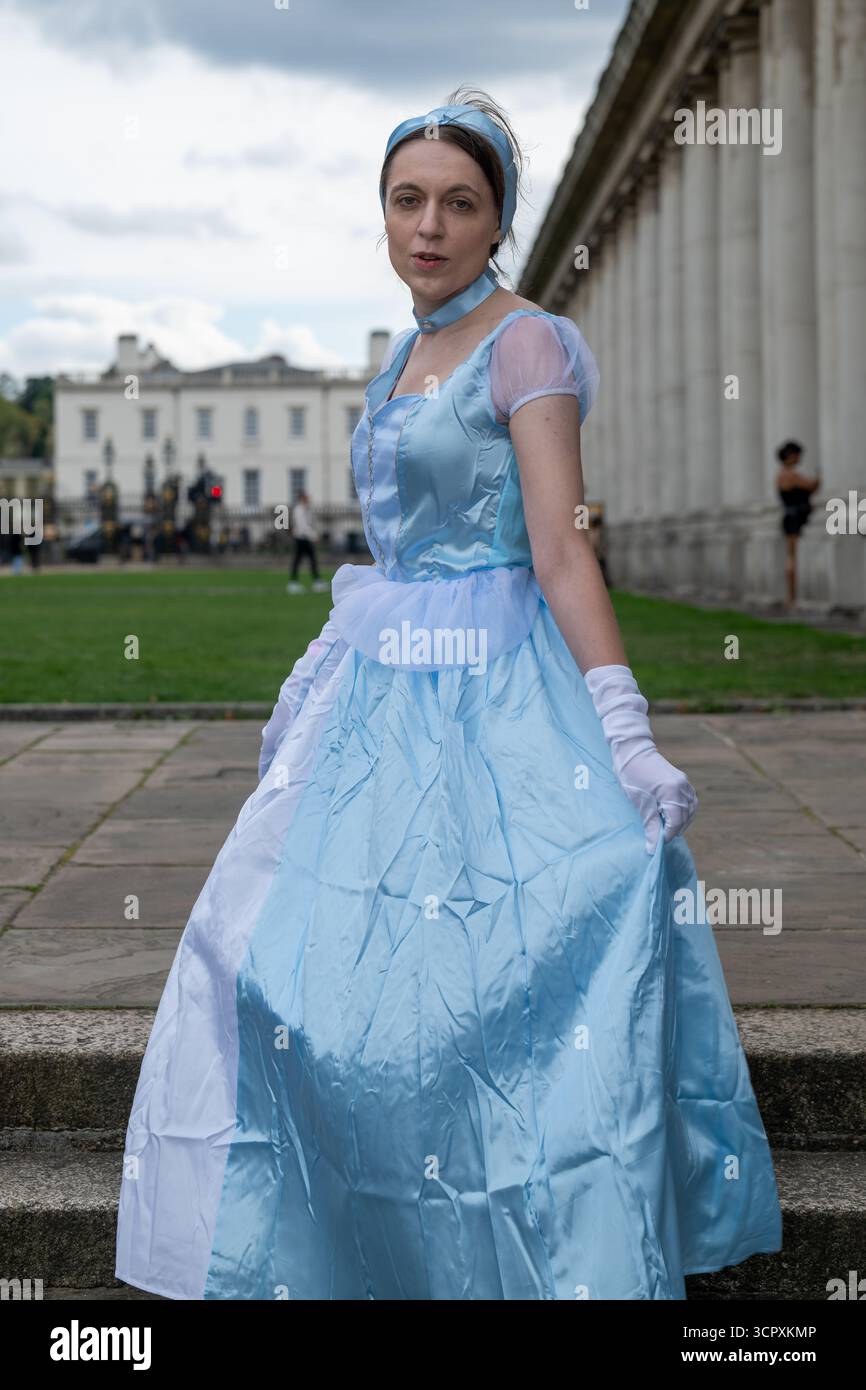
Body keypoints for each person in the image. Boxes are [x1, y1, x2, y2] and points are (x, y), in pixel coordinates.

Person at [115, 90, 782, 1301]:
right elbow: (393, 548)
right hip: (376, 690)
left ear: (495, 224)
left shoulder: (527, 343)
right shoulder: (401, 354)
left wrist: (623, 729)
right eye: (406, 199)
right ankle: (350, 1247)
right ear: (381, 216)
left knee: (485, 964)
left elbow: (561, 546)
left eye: (457, 204)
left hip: (494, 685)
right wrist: (313, 679)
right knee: (271, 953)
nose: (428, 224)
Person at [776, 440, 820, 611]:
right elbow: (811, 486)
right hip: (795, 519)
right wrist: (819, 477)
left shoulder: (781, 474)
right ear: (791, 456)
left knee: (792, 558)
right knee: (793, 559)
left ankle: (791, 596)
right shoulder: (790, 475)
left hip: (790, 517)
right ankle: (792, 597)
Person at [287, 490, 327, 593]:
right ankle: (293, 582)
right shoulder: (298, 510)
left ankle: (316, 581)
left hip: (306, 539)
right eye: (306, 497)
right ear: (302, 498)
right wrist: (313, 536)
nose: (308, 499)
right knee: (298, 560)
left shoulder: (308, 509)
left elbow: (311, 523)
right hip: (300, 539)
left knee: (312, 560)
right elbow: (302, 526)